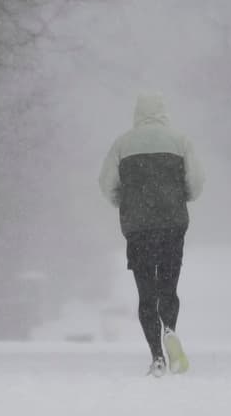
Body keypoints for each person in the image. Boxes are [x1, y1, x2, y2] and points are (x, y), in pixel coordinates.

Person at [99, 92, 204, 377]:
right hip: (172, 224)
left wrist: (124, 201)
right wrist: (183, 196)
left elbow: (106, 183)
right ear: (163, 112)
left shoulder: (122, 144)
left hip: (138, 228)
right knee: (168, 287)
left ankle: (157, 356)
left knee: (146, 293)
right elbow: (195, 182)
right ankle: (170, 329)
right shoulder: (180, 141)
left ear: (137, 113)